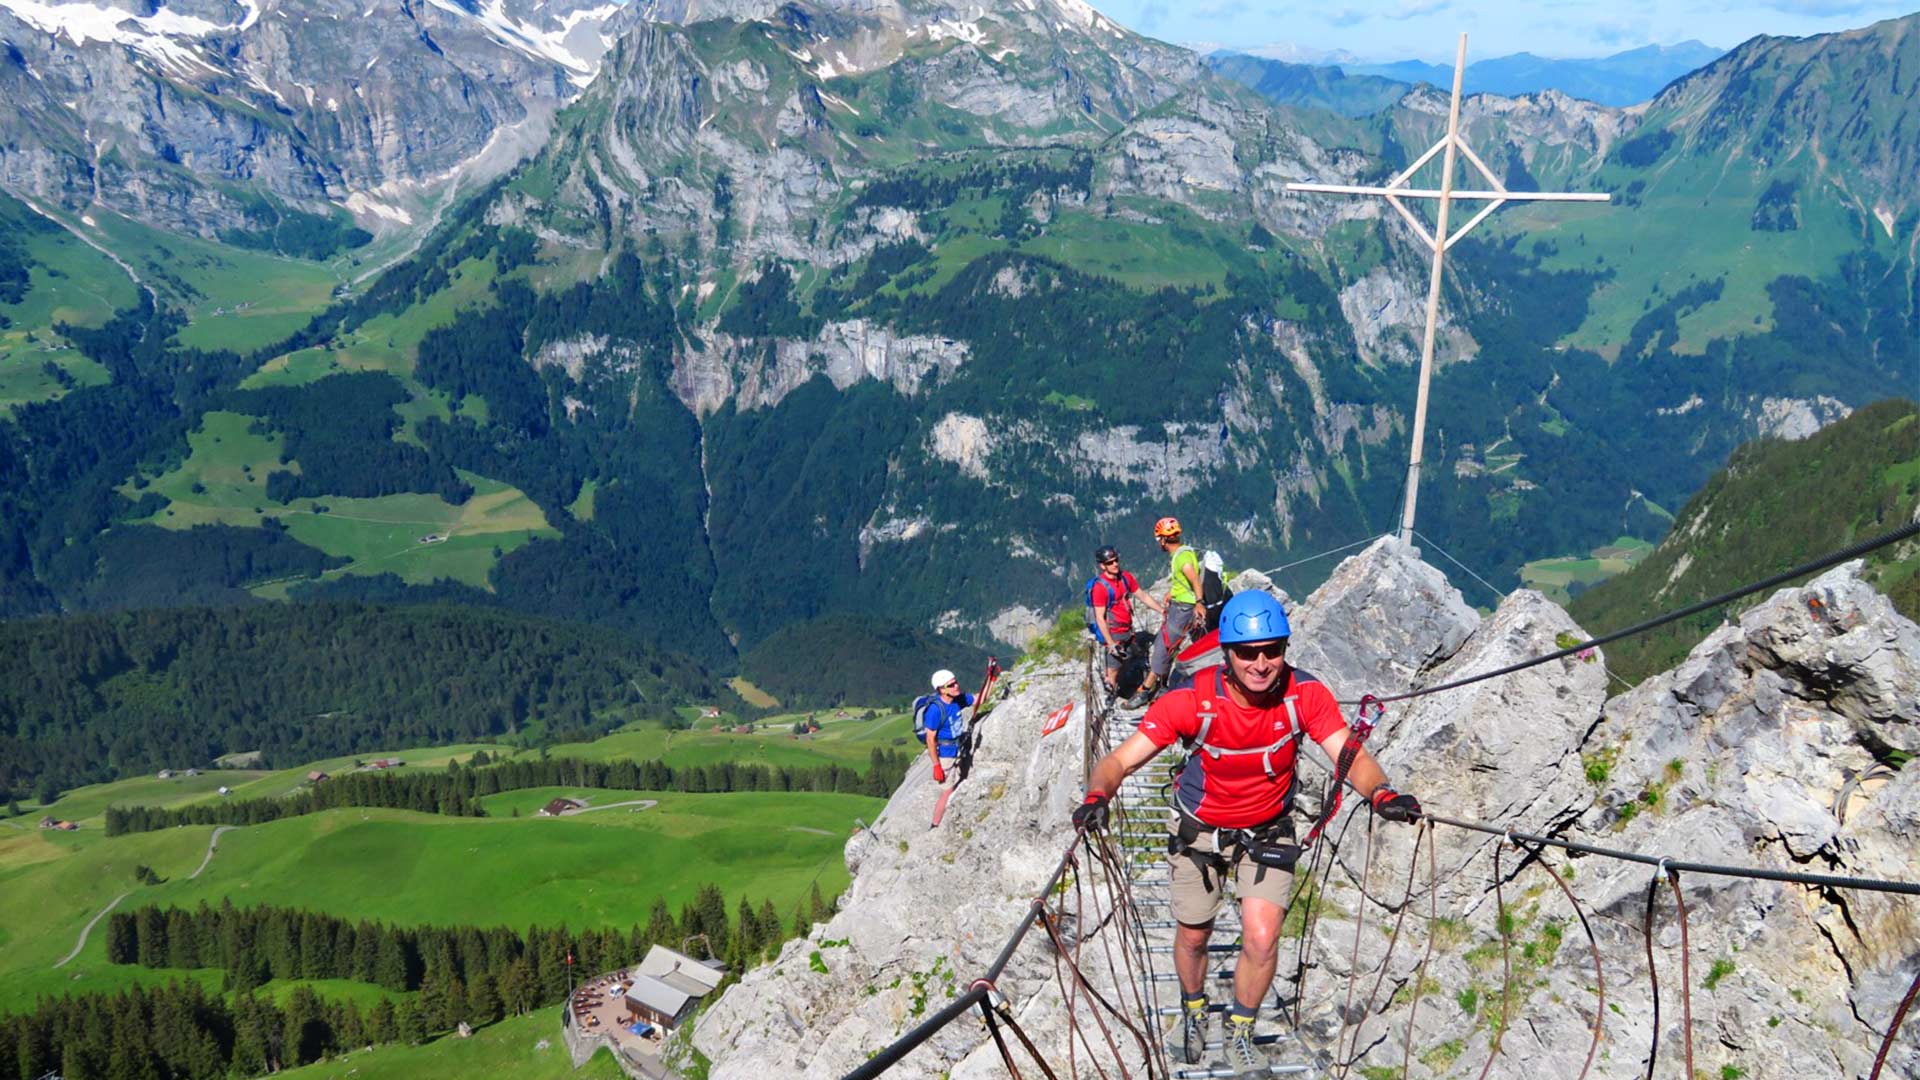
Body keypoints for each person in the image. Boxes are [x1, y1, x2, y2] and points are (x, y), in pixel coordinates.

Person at [1072, 592, 1422, 1076]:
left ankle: (1240, 1028)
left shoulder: (1305, 695)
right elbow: (1118, 760)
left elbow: (1349, 754)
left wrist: (1381, 794)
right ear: (1228, 654)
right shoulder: (1190, 700)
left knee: (1261, 938)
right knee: (1194, 936)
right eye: (1248, 652)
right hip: (1199, 832)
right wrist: (1097, 797)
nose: (1261, 663)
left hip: (1267, 829)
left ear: (1284, 648)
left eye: (1272, 650)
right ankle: (1194, 1009)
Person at [1125, 517, 1206, 709]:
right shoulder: (1183, 552)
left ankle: (1145, 690)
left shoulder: (1182, 558)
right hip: (1180, 603)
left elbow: (1193, 578)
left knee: (1163, 648)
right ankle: (1162, 687)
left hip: (1183, 609)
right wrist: (1173, 592)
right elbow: (1185, 580)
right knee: (1168, 645)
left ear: (1162, 539)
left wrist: (1199, 602)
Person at [917, 669, 975, 828]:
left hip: (958, 748)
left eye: (956, 682)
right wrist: (936, 765)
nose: (957, 686)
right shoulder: (935, 710)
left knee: (960, 780)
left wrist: (991, 677)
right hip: (946, 754)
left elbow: (979, 698)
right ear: (942, 689)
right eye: (951, 684)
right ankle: (935, 824)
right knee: (947, 791)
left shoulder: (958, 700)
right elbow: (930, 738)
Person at [1086, 545, 1141, 693]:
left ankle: (1119, 687)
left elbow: (1142, 595)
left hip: (1127, 629)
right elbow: (1099, 617)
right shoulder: (1100, 587)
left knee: (1125, 660)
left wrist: (1161, 609)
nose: (1115, 564)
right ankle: (1111, 693)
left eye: (1116, 560)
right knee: (1113, 668)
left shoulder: (1125, 578)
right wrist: (1110, 643)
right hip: (1114, 632)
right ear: (1102, 566)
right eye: (1110, 562)